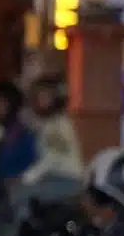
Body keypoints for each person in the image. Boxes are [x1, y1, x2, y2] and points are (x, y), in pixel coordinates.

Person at [16, 76, 86, 204]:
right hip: (55, 177)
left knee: (20, 194)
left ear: (57, 98)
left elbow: (53, 157)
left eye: (45, 96)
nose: (39, 101)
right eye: (37, 96)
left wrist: (28, 177)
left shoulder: (58, 124)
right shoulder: (48, 123)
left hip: (67, 179)